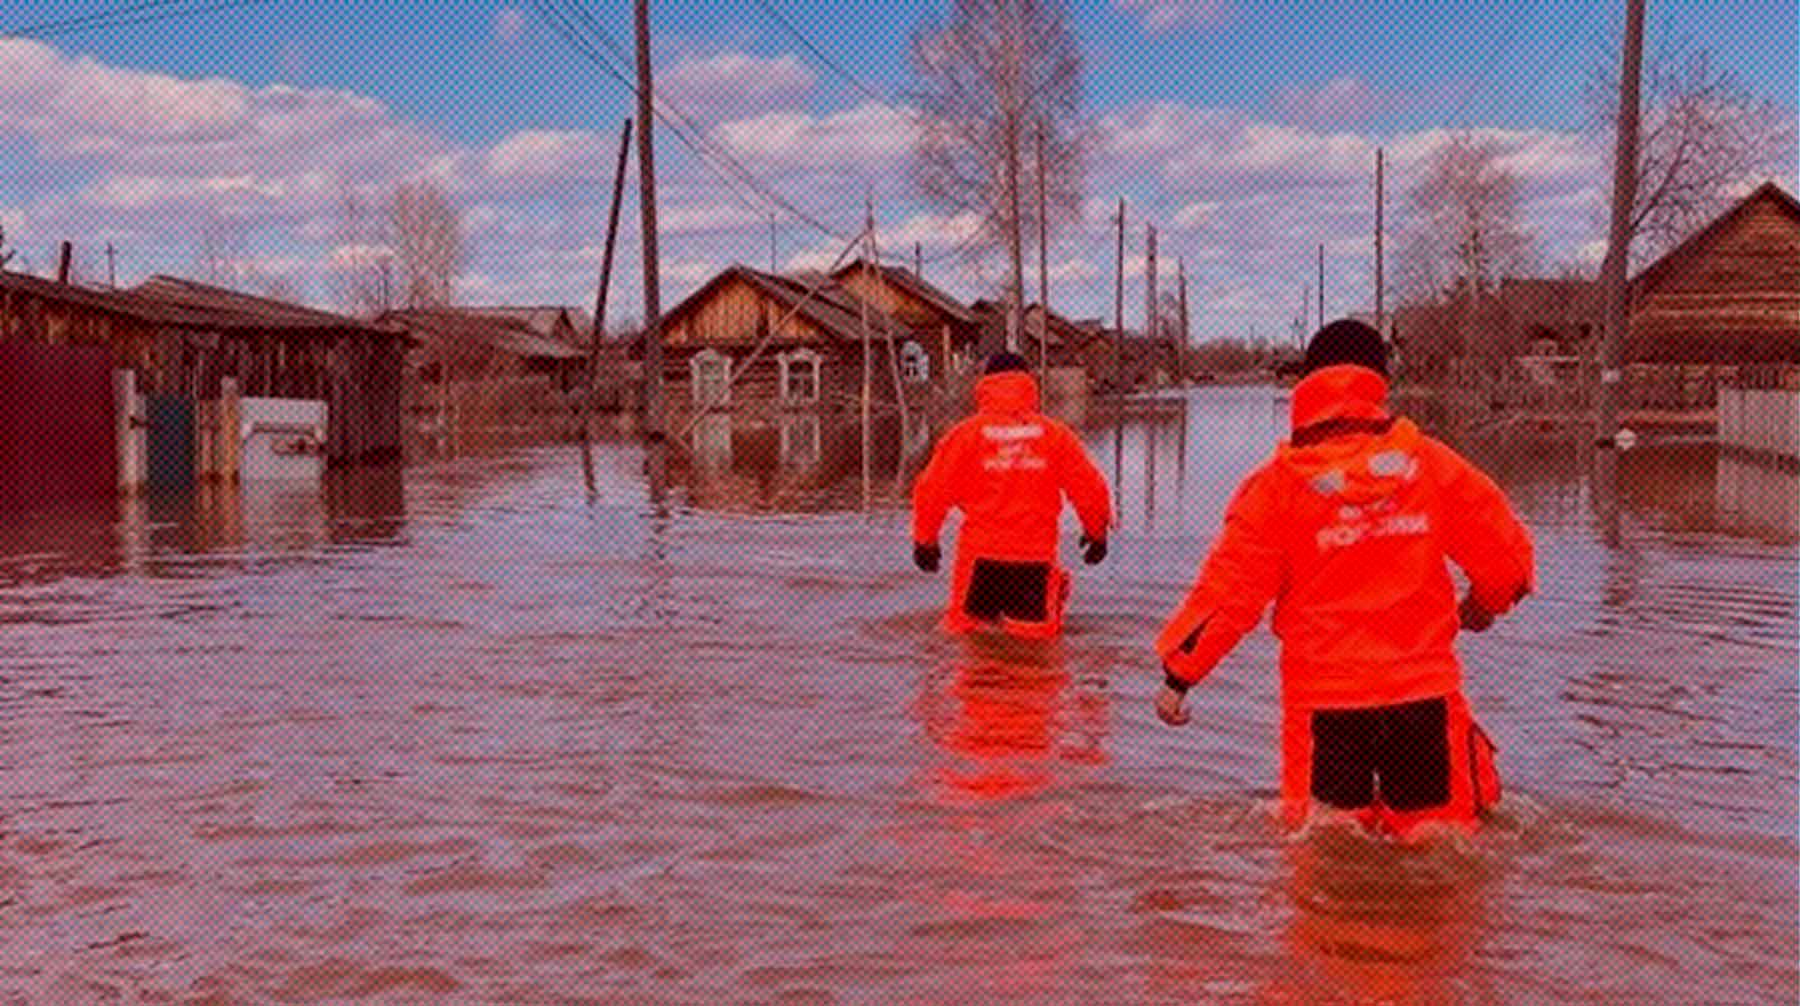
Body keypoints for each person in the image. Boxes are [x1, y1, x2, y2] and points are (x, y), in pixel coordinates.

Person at [1152, 319, 1533, 839]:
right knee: (1440, 850)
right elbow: (1506, 557)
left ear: (1307, 383)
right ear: (1379, 382)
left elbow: (1227, 595)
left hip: (1325, 708)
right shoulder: (1430, 465)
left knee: (1324, 855)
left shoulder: (1276, 487)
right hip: (1422, 699)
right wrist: (1484, 605)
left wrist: (1180, 675)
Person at [912, 351, 1113, 639]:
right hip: (1034, 563)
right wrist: (1097, 533)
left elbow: (931, 490)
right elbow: (1089, 489)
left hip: (979, 560)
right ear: (1028, 384)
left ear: (985, 385)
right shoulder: (1055, 435)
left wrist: (925, 541)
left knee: (969, 648)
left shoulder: (965, 436)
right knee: (1035, 659)